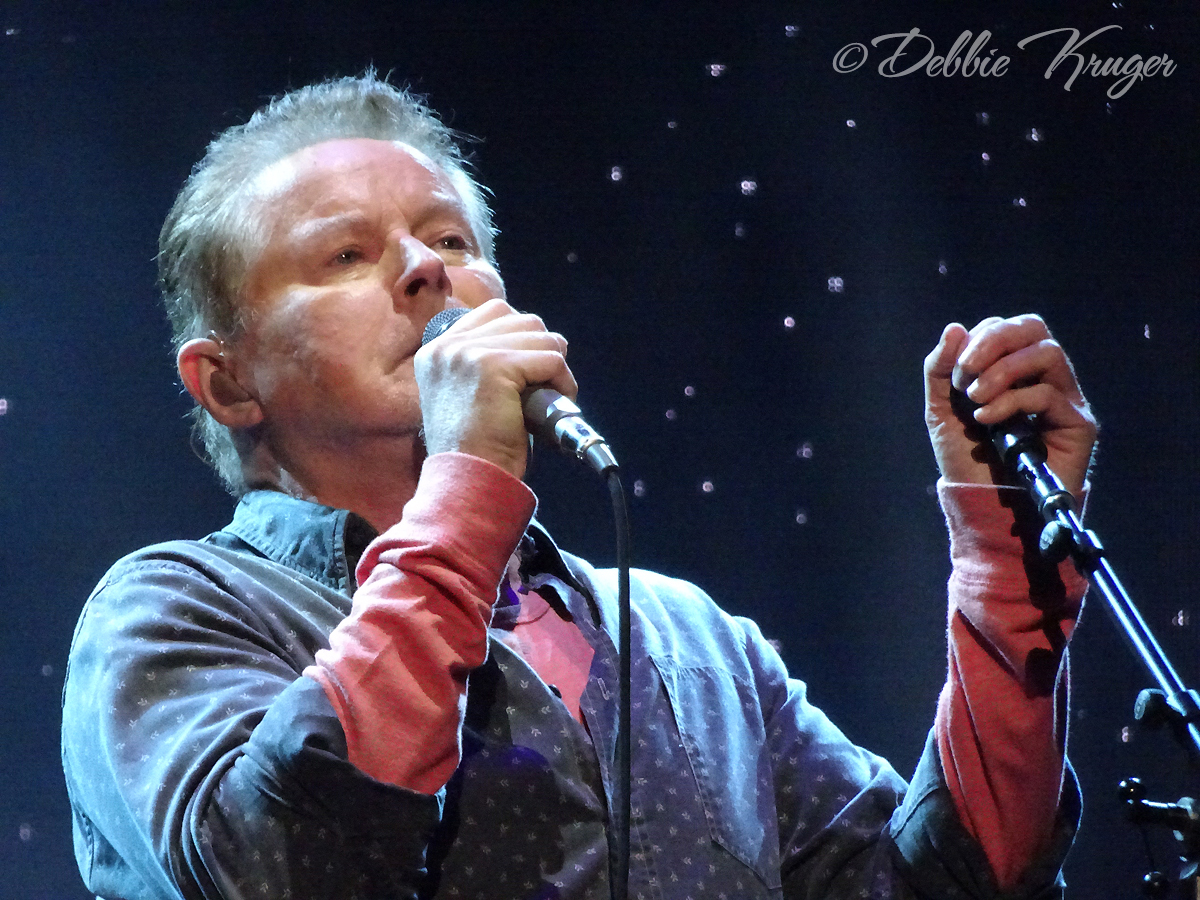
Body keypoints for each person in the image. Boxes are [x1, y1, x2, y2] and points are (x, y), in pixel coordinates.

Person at [61, 73, 1097, 900]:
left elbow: (939, 885)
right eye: (344, 254)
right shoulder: (171, 611)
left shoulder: (689, 638)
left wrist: (1005, 563)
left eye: (452, 240)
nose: (427, 269)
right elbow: (280, 868)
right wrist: (468, 489)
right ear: (228, 381)